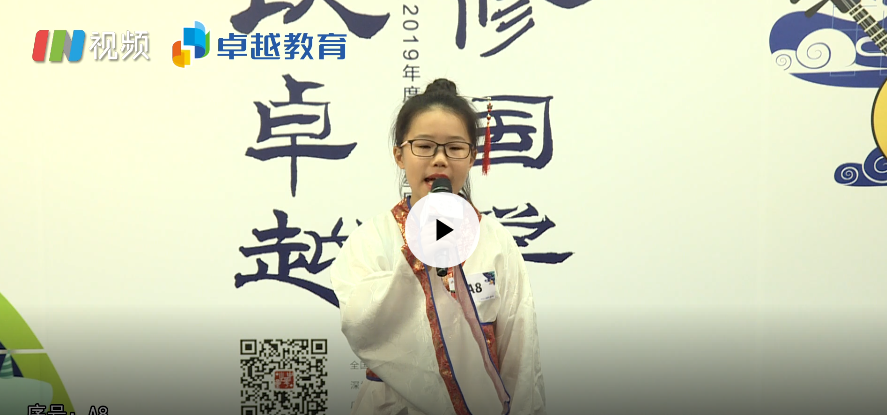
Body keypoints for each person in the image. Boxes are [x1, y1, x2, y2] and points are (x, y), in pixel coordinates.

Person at [330, 78, 547, 415]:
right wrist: (418, 260)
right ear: (399, 155)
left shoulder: (496, 241)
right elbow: (361, 324)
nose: (440, 159)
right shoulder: (372, 238)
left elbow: (521, 351)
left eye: (455, 148)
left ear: (472, 157)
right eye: (425, 146)